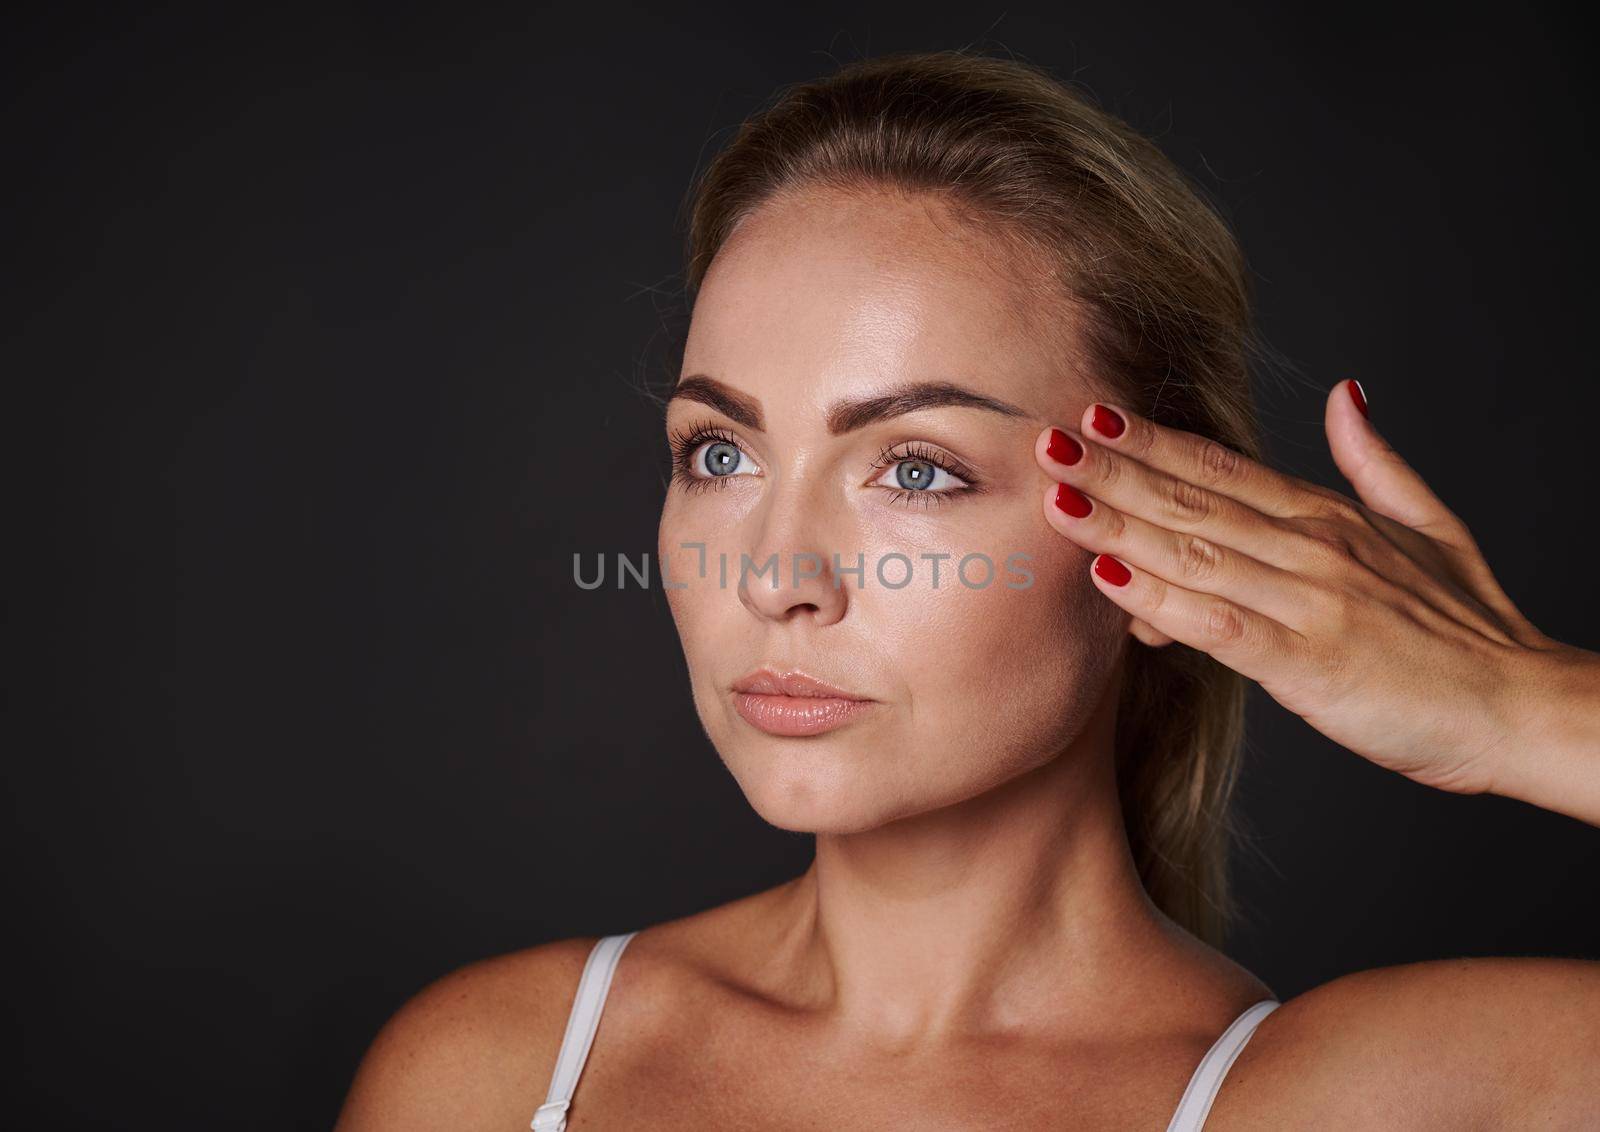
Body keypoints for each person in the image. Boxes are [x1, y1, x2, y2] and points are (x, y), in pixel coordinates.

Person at [335, 49, 1599, 1129]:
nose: (775, 574)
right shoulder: (494, 1072)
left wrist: (1515, 705)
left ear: (1164, 543)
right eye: (718, 453)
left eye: (918, 469)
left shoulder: (1369, 1097)